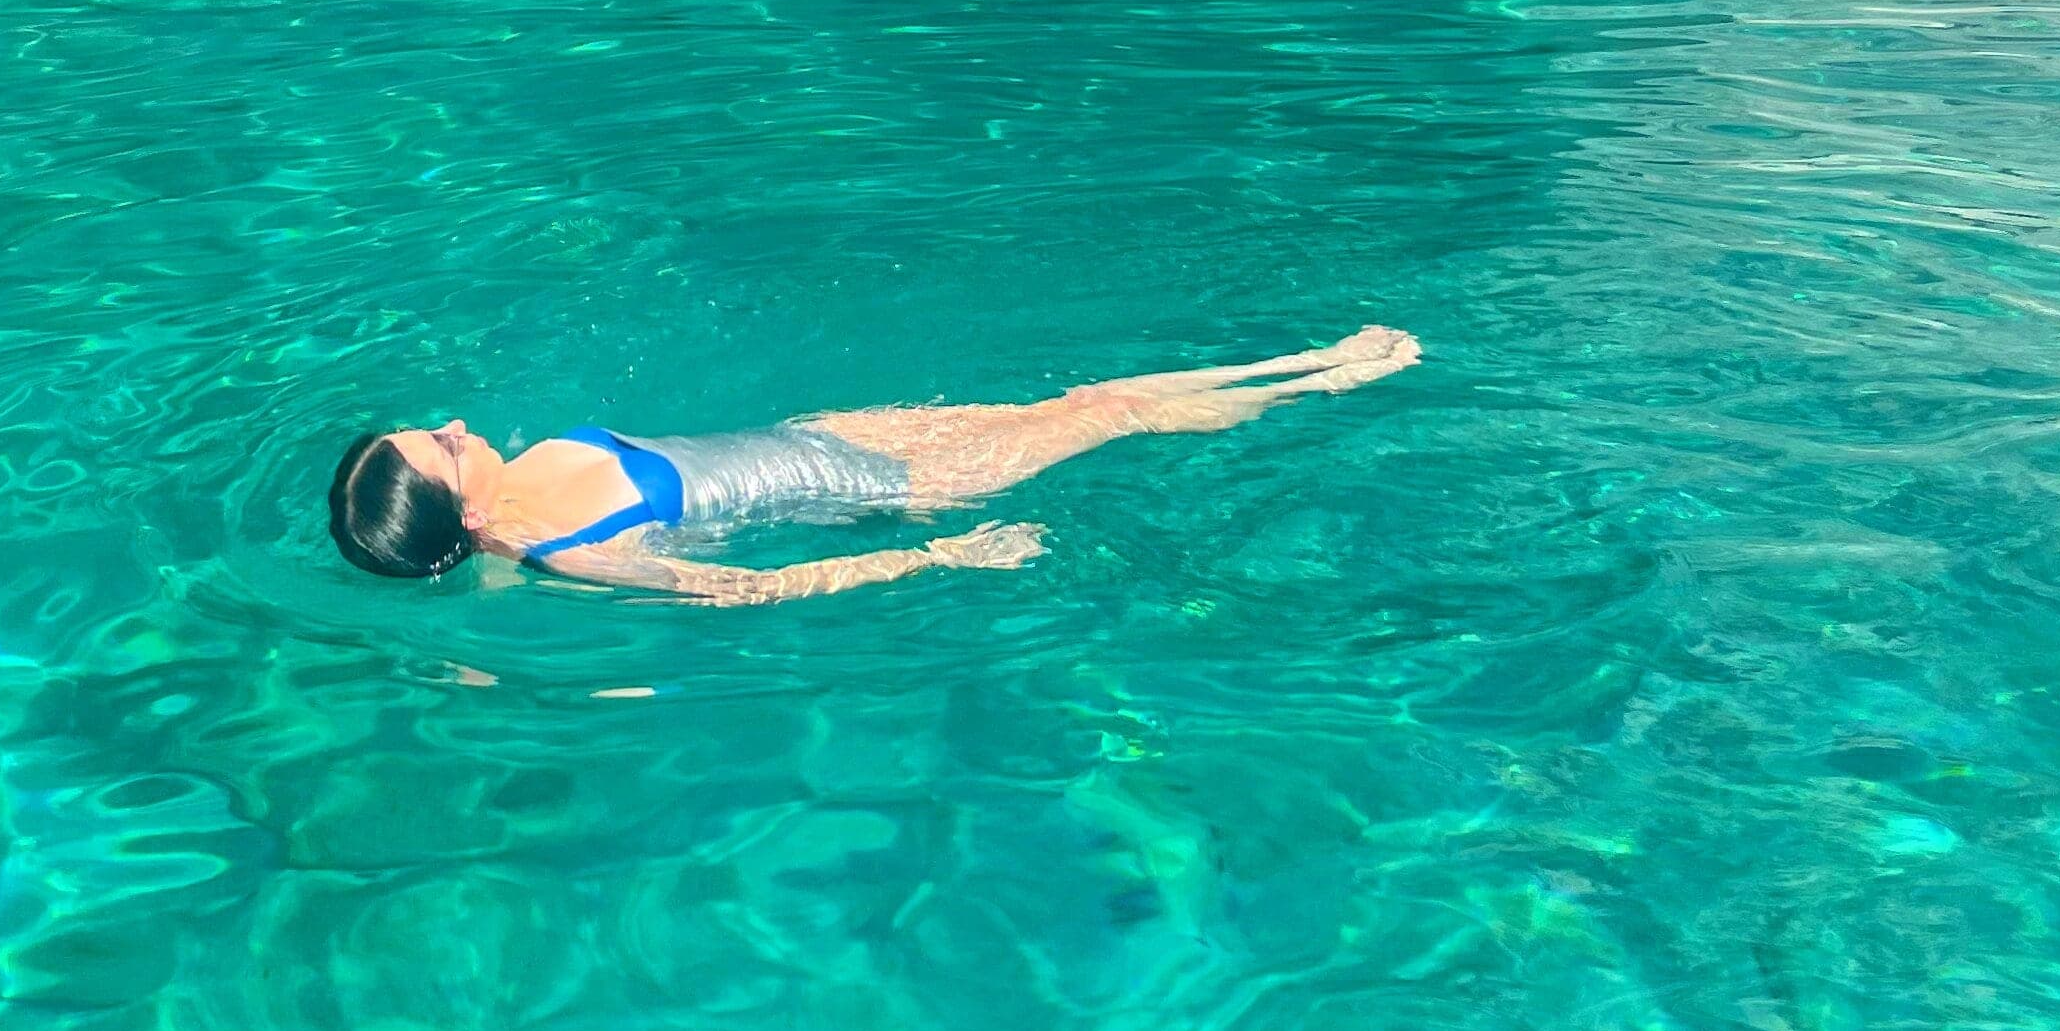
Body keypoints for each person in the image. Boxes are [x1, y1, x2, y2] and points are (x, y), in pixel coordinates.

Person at [326, 327, 1420, 606]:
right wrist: (940, 558)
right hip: (875, 489)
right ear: (454, 503)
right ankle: (1319, 376)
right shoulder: (576, 553)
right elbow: (749, 589)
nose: (457, 425)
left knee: (1074, 404)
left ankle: (1304, 365)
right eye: (442, 447)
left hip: (820, 434)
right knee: (1113, 412)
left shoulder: (516, 507)